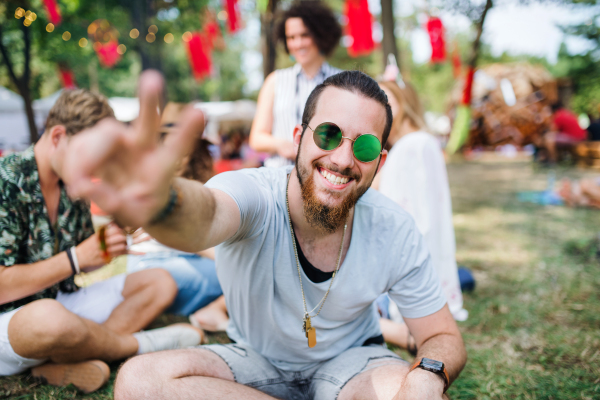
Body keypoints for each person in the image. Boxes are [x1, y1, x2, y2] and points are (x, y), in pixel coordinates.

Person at [64, 70, 466, 400]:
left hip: (354, 364)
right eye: (328, 135)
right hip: (253, 362)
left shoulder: (394, 228)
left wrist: (427, 375)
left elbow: (441, 336)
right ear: (298, 138)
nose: (343, 160)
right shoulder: (253, 192)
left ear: (379, 161)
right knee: (139, 382)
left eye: (362, 147)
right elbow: (206, 215)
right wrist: (165, 202)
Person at [0, 89, 203, 393]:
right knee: (49, 318)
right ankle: (132, 345)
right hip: (15, 319)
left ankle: (58, 363)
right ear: (57, 136)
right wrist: (75, 259)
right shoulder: (6, 180)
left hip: (60, 303)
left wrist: (113, 238)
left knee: (160, 282)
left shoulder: (73, 182)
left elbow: (87, 259)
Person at [249, 0, 342, 168]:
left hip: (325, 175)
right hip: (279, 176)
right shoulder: (275, 81)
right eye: (291, 37)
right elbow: (256, 138)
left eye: (304, 35)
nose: (297, 44)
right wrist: (281, 145)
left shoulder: (343, 82)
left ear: (321, 34)